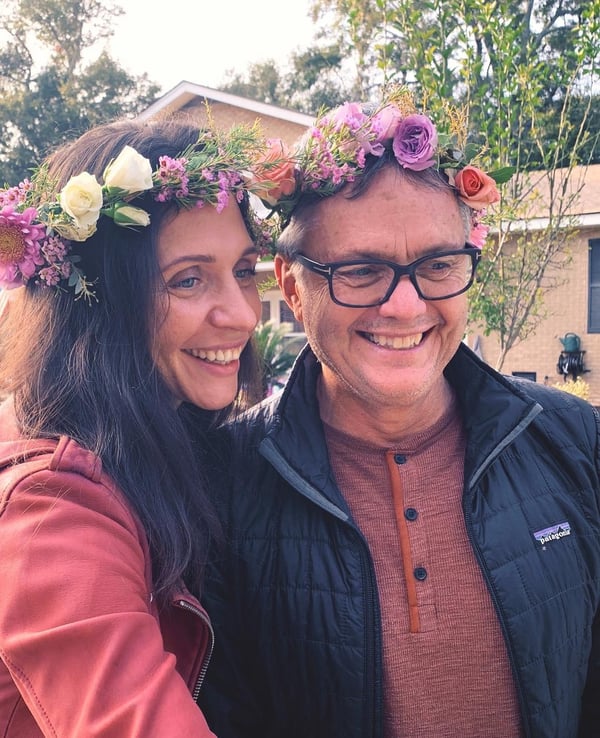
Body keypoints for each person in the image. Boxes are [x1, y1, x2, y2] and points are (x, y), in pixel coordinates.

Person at [197, 93, 600, 738]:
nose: (406, 307)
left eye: (438, 265)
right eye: (361, 271)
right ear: (293, 287)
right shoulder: (218, 486)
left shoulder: (574, 442)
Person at [0, 117, 277, 736]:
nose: (239, 314)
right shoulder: (51, 510)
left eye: (243, 271)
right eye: (188, 279)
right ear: (100, 306)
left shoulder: (175, 449)